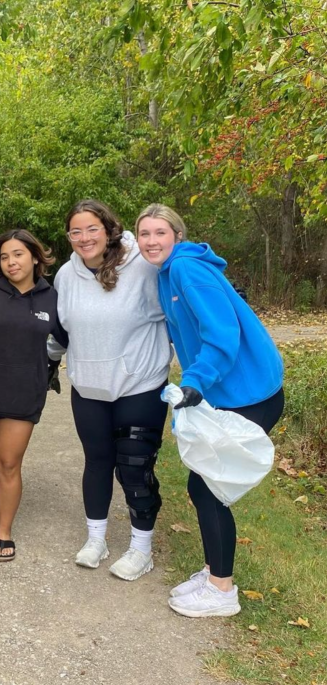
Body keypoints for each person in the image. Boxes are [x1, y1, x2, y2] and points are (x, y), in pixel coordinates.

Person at [135, 203, 284, 618]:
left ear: (177, 236)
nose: (151, 241)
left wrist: (195, 381)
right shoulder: (167, 273)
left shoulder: (186, 269)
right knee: (205, 485)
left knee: (207, 488)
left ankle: (222, 590)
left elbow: (222, 334)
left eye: (160, 233)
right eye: (144, 233)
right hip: (231, 393)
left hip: (251, 393)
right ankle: (213, 572)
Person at [47, 199, 172, 581]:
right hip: (88, 388)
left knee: (134, 469)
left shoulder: (143, 268)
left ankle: (141, 549)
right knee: (97, 462)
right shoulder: (66, 276)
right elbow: (60, 332)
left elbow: (178, 316)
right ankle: (96, 539)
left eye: (92, 229)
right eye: (76, 231)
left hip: (140, 385)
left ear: (109, 230)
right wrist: (44, 364)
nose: (84, 238)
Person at [0, 229, 67, 561]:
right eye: (4, 257)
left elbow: (65, 340)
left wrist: (51, 369)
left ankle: (4, 531)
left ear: (34, 257)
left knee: (9, 463)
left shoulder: (52, 297)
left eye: (18, 254)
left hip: (24, 392)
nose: (10, 262)